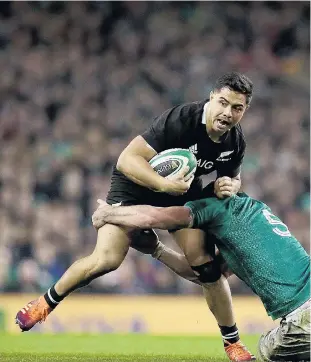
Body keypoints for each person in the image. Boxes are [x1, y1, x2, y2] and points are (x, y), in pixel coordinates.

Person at [16, 72, 255, 361]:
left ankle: (233, 343)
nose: (228, 113)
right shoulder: (181, 120)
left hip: (180, 193)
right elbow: (127, 160)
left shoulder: (235, 142)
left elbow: (233, 179)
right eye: (223, 103)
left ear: (245, 110)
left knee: (206, 268)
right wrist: (163, 184)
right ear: (211, 97)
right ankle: (44, 303)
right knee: (107, 260)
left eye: (237, 108)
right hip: (135, 187)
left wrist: (228, 185)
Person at [91, 193, 311, 362]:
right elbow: (208, 276)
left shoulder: (212, 208)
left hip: (304, 317)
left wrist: (108, 213)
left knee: (267, 348)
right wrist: (157, 250)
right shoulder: (247, 217)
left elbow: (153, 216)